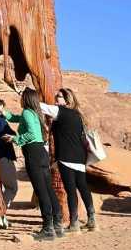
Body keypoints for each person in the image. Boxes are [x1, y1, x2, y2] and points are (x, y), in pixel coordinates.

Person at [0, 88, 63, 240]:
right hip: (41, 153)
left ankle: (47, 228)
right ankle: (57, 225)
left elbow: (31, 135)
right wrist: (3, 111)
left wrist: (14, 139)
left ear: (26, 99)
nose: (20, 99)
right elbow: (17, 118)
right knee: (48, 189)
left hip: (33, 154)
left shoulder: (28, 113)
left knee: (41, 191)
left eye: (22, 97)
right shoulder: (34, 113)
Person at [40, 88, 97, 233]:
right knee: (83, 188)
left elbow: (41, 106)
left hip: (66, 157)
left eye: (58, 96)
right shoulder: (79, 115)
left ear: (66, 99)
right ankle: (92, 220)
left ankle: (74, 224)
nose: (56, 98)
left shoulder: (60, 111)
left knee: (71, 190)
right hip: (80, 157)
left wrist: (24, 95)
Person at [0, 98, 18, 229]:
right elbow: (10, 134)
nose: (3, 110)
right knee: (12, 187)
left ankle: (2, 219)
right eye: (1, 107)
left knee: (0, 191)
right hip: (3, 156)